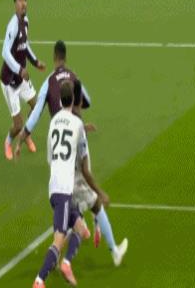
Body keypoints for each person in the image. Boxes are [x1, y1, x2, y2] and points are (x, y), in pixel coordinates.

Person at [33, 82, 90, 288]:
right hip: (65, 189)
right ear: (73, 100)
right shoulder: (77, 123)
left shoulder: (54, 121)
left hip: (54, 186)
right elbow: (83, 158)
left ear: (59, 100)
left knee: (81, 229)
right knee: (58, 240)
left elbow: (50, 156)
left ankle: (66, 264)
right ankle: (39, 281)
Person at [67, 79, 128, 269]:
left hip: (61, 181)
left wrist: (83, 129)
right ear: (79, 100)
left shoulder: (62, 120)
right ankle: (114, 252)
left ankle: (56, 261)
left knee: (69, 222)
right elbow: (85, 170)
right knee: (97, 206)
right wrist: (100, 192)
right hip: (77, 182)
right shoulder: (77, 124)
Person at [15, 40, 91, 157]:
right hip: (78, 133)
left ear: (54, 57)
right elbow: (87, 101)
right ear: (65, 58)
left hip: (60, 137)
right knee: (83, 166)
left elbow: (36, 114)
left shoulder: (49, 82)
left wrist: (22, 137)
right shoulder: (73, 77)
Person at [0, 0, 45, 160]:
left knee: (36, 106)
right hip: (10, 82)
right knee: (17, 124)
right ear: (15, 3)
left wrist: (35, 62)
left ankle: (25, 135)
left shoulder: (26, 21)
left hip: (22, 78)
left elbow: (25, 45)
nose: (23, 3)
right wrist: (20, 69)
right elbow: (5, 52)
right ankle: (8, 142)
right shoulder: (12, 26)